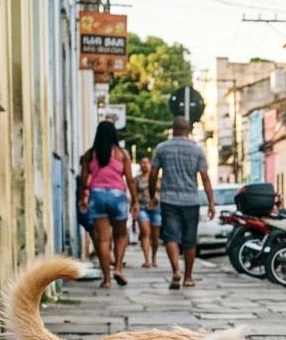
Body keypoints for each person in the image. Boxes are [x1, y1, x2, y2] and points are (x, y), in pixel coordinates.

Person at [148, 116, 215, 289]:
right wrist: (211, 202)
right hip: (191, 200)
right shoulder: (197, 150)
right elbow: (205, 177)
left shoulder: (162, 148)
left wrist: (152, 195)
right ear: (188, 130)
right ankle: (188, 277)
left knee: (171, 236)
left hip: (169, 199)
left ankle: (175, 271)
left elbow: (153, 174)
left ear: (173, 129)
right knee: (189, 240)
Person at [78, 121, 137, 289]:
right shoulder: (121, 154)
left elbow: (83, 181)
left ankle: (107, 279)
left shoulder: (90, 155)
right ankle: (118, 268)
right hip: (117, 196)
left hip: (97, 196)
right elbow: (130, 180)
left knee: (102, 239)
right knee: (120, 235)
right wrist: (135, 201)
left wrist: (83, 196)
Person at [134, 156, 161, 268]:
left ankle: (154, 257)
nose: (144, 165)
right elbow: (134, 194)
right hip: (142, 207)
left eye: (146, 162)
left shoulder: (158, 178)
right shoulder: (137, 179)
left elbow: (163, 192)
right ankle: (147, 260)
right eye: (142, 162)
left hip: (156, 208)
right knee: (145, 233)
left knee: (155, 236)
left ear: (150, 164)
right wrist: (134, 207)